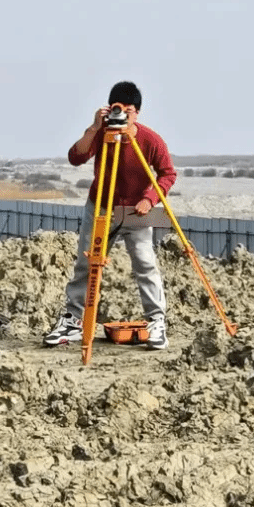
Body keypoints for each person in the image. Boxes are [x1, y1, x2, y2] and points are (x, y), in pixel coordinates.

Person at [43, 81, 177, 350]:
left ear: (137, 112)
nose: (123, 115)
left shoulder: (150, 140)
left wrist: (150, 199)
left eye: (129, 110)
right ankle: (73, 321)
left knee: (145, 264)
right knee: (86, 263)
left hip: (136, 211)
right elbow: (75, 158)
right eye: (118, 108)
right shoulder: (101, 133)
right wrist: (94, 128)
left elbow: (168, 174)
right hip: (101, 207)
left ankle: (156, 321)